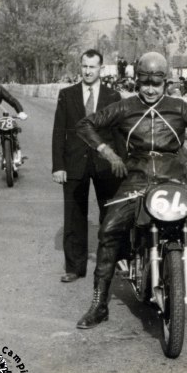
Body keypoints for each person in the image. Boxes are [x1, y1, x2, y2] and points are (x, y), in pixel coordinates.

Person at [74, 52, 187, 328]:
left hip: (175, 180)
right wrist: (109, 154)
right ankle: (99, 304)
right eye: (145, 83)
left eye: (157, 84)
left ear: (166, 83)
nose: (151, 89)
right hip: (137, 179)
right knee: (108, 231)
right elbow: (85, 124)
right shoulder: (124, 107)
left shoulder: (178, 106)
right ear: (137, 82)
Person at [52, 49, 125, 283]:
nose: (87, 71)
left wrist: (122, 162)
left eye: (92, 67)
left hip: (106, 165)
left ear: (100, 69)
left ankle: (118, 260)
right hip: (74, 164)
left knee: (112, 214)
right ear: (80, 66)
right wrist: (58, 166)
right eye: (84, 66)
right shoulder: (67, 94)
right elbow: (58, 133)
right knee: (74, 215)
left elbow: (119, 133)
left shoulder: (113, 96)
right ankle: (74, 267)